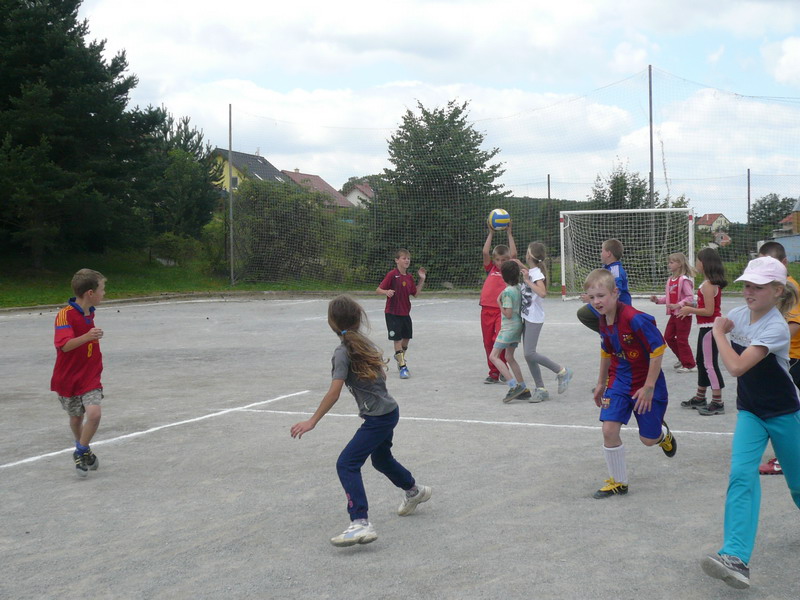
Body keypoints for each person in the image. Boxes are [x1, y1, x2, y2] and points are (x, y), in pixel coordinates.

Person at [290, 295, 432, 547]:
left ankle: (360, 522)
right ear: (357, 319)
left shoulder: (342, 351)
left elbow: (334, 392)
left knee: (346, 463)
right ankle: (414, 491)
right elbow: (382, 377)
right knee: (381, 460)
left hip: (378, 418)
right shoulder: (362, 343)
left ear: (332, 322)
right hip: (388, 411)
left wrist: (312, 421)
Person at [700, 256, 800, 590]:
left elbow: (737, 367)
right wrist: (722, 327)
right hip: (751, 413)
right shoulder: (740, 315)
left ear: (777, 290)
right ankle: (735, 557)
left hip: (784, 414)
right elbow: (730, 333)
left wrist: (718, 332)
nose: (748, 292)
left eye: (757, 287)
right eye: (746, 285)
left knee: (798, 485)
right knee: (741, 476)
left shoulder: (776, 326)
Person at [584, 269, 676, 499]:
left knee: (648, 439)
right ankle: (619, 482)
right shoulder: (602, 319)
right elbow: (606, 352)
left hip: (645, 382)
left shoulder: (634, 318)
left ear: (615, 293)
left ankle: (662, 434)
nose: (596, 301)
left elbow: (658, 349)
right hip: (619, 380)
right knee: (609, 430)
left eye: (601, 295)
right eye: (592, 297)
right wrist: (601, 383)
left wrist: (649, 386)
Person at [50, 268, 107, 477]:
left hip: (90, 375)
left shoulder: (90, 312)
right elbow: (64, 345)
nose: (104, 293)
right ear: (90, 293)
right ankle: (85, 449)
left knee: (94, 413)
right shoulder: (64, 315)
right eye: (102, 289)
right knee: (76, 419)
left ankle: (80, 451)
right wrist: (88, 336)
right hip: (68, 377)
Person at [754, 241, 800, 476]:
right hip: (786, 357)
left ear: (784, 263)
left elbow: (794, 324)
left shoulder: (789, 287)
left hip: (792, 358)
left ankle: (787, 458)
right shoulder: (773, 287)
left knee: (784, 410)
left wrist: (766, 347)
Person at [517, 242, 572, 403]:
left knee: (530, 353)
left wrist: (527, 281)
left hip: (534, 318)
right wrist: (520, 265)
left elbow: (542, 292)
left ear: (529, 255)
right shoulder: (534, 271)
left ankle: (562, 371)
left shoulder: (536, 274)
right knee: (529, 356)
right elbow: (532, 275)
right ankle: (541, 389)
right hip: (528, 317)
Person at [677, 248, 728, 415]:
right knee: (701, 361)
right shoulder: (708, 284)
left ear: (704, 263)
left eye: (698, 261)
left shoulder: (708, 285)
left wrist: (689, 310)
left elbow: (709, 311)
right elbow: (705, 306)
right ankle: (700, 396)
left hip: (709, 329)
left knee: (709, 364)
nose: (696, 264)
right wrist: (691, 305)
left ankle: (717, 401)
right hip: (706, 328)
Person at [376, 248, 427, 379]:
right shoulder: (392, 275)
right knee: (397, 340)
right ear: (397, 260)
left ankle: (399, 356)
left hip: (405, 313)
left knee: (406, 338)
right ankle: (402, 367)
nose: (407, 260)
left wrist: (422, 279)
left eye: (408, 258)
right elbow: (378, 289)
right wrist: (386, 291)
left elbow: (415, 293)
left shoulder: (409, 277)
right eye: (404, 258)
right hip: (392, 313)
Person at [480, 221, 517, 383]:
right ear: (494, 260)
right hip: (486, 309)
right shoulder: (491, 269)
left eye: (504, 259)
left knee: (499, 341)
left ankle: (503, 369)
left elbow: (514, 254)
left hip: (501, 311)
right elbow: (485, 252)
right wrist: (491, 233)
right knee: (487, 342)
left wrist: (509, 233)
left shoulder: (509, 270)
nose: (501, 262)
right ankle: (493, 373)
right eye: (498, 260)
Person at [489, 260, 529, 403]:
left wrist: (499, 303)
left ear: (503, 276)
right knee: (509, 357)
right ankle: (523, 387)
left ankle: (513, 386)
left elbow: (508, 314)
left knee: (493, 356)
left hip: (509, 327)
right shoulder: (518, 287)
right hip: (517, 326)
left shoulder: (507, 292)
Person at [650, 252, 696, 373]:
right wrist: (657, 300)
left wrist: (679, 305)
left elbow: (690, 297)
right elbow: (669, 298)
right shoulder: (670, 280)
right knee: (668, 337)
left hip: (683, 314)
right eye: (669, 262)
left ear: (679, 264)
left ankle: (690, 364)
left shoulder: (684, 280)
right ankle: (682, 358)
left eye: (671, 262)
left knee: (682, 339)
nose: (669, 264)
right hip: (674, 314)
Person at [577, 239, 631, 333]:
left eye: (602, 251)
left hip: (619, 307)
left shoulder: (614, 270)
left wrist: (592, 299)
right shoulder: (608, 268)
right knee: (584, 313)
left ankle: (611, 332)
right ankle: (609, 333)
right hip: (612, 306)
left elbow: (616, 291)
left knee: (583, 313)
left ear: (608, 253)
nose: (600, 254)